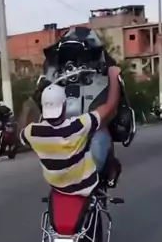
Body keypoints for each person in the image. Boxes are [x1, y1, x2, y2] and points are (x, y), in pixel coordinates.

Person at [21, 66, 122, 197]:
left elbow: (21, 131)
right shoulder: (78, 125)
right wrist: (113, 75)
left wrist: (27, 107)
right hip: (84, 185)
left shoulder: (33, 132)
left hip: (57, 185)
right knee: (101, 129)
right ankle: (111, 172)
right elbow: (110, 106)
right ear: (64, 105)